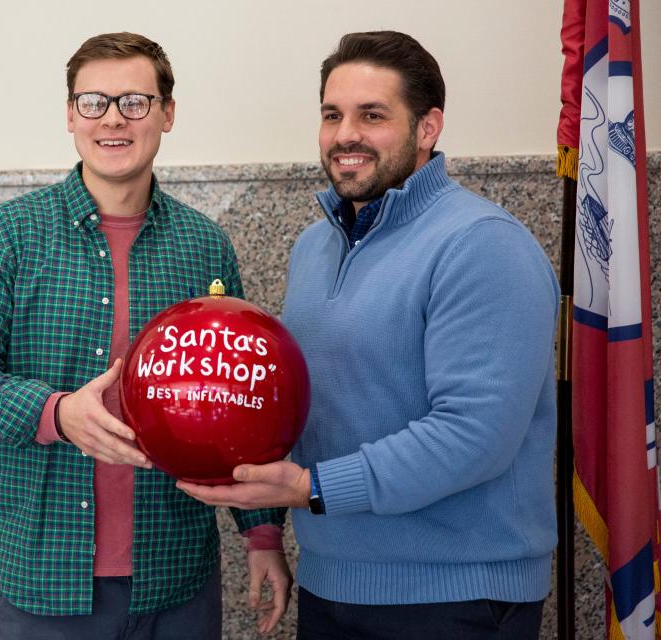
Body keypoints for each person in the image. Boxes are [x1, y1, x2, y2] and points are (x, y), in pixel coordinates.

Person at [178, 31, 559, 639]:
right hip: (333, 587)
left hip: (457, 601)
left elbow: (476, 433)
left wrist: (314, 488)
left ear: (428, 128)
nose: (345, 134)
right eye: (333, 114)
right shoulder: (314, 247)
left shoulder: (482, 244)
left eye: (372, 115)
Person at [0, 32, 291, 640]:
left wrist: (261, 534)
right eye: (94, 102)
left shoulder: (205, 247)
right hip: (42, 573)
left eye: (135, 102)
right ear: (71, 115)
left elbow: (242, 403)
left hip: (175, 574)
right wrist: (58, 412)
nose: (113, 119)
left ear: (167, 114)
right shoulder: (7, 235)